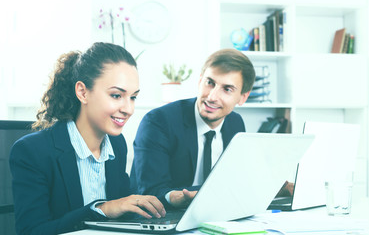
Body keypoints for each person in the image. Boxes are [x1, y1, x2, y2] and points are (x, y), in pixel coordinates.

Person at [9, 42, 166, 235]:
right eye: (116, 95)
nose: (128, 109)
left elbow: (124, 212)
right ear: (82, 92)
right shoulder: (32, 151)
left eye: (133, 97)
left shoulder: (117, 145)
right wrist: (102, 210)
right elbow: (31, 231)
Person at [130, 48, 255, 209]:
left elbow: (234, 179)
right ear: (200, 81)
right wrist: (176, 197)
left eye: (227, 89)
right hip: (162, 216)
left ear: (243, 97)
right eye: (210, 83)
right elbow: (150, 190)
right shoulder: (158, 122)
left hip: (214, 214)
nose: (212, 97)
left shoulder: (236, 124)